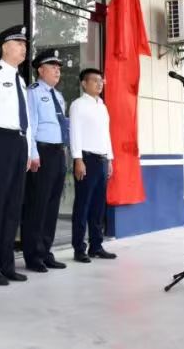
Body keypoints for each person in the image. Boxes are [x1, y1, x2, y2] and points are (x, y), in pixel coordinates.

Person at [0, 25, 33, 285]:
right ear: (5, 47)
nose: (24, 48)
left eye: (25, 44)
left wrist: (28, 150)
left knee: (13, 207)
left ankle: (6, 263)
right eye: (18, 43)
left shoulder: (20, 80)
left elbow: (26, 120)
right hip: (0, 142)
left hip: (18, 143)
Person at [21, 48, 70, 272]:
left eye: (59, 67)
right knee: (37, 205)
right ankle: (33, 255)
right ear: (40, 70)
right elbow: (30, 125)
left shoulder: (58, 96)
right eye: (53, 67)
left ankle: (45, 251)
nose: (57, 71)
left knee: (52, 206)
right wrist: (33, 153)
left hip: (58, 152)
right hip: (42, 152)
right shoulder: (33, 92)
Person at [69, 68, 116, 262]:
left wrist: (110, 159)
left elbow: (106, 134)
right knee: (83, 205)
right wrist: (77, 159)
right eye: (95, 80)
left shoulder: (102, 106)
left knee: (98, 207)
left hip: (102, 160)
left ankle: (96, 246)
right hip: (86, 160)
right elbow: (74, 133)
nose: (100, 84)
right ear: (84, 83)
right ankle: (79, 248)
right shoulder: (78, 105)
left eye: (101, 80)